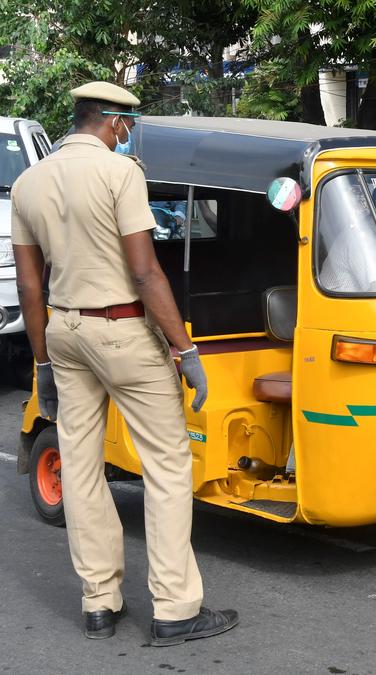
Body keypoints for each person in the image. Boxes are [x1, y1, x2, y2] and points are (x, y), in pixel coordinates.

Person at [10, 81, 237, 645]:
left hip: (65, 331)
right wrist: (185, 349)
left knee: (81, 466)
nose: (128, 133)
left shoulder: (29, 182)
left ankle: (99, 601)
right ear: (111, 122)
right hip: (122, 330)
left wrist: (42, 362)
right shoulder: (121, 173)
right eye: (127, 124)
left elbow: (30, 286)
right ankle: (175, 608)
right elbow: (145, 272)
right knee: (166, 464)